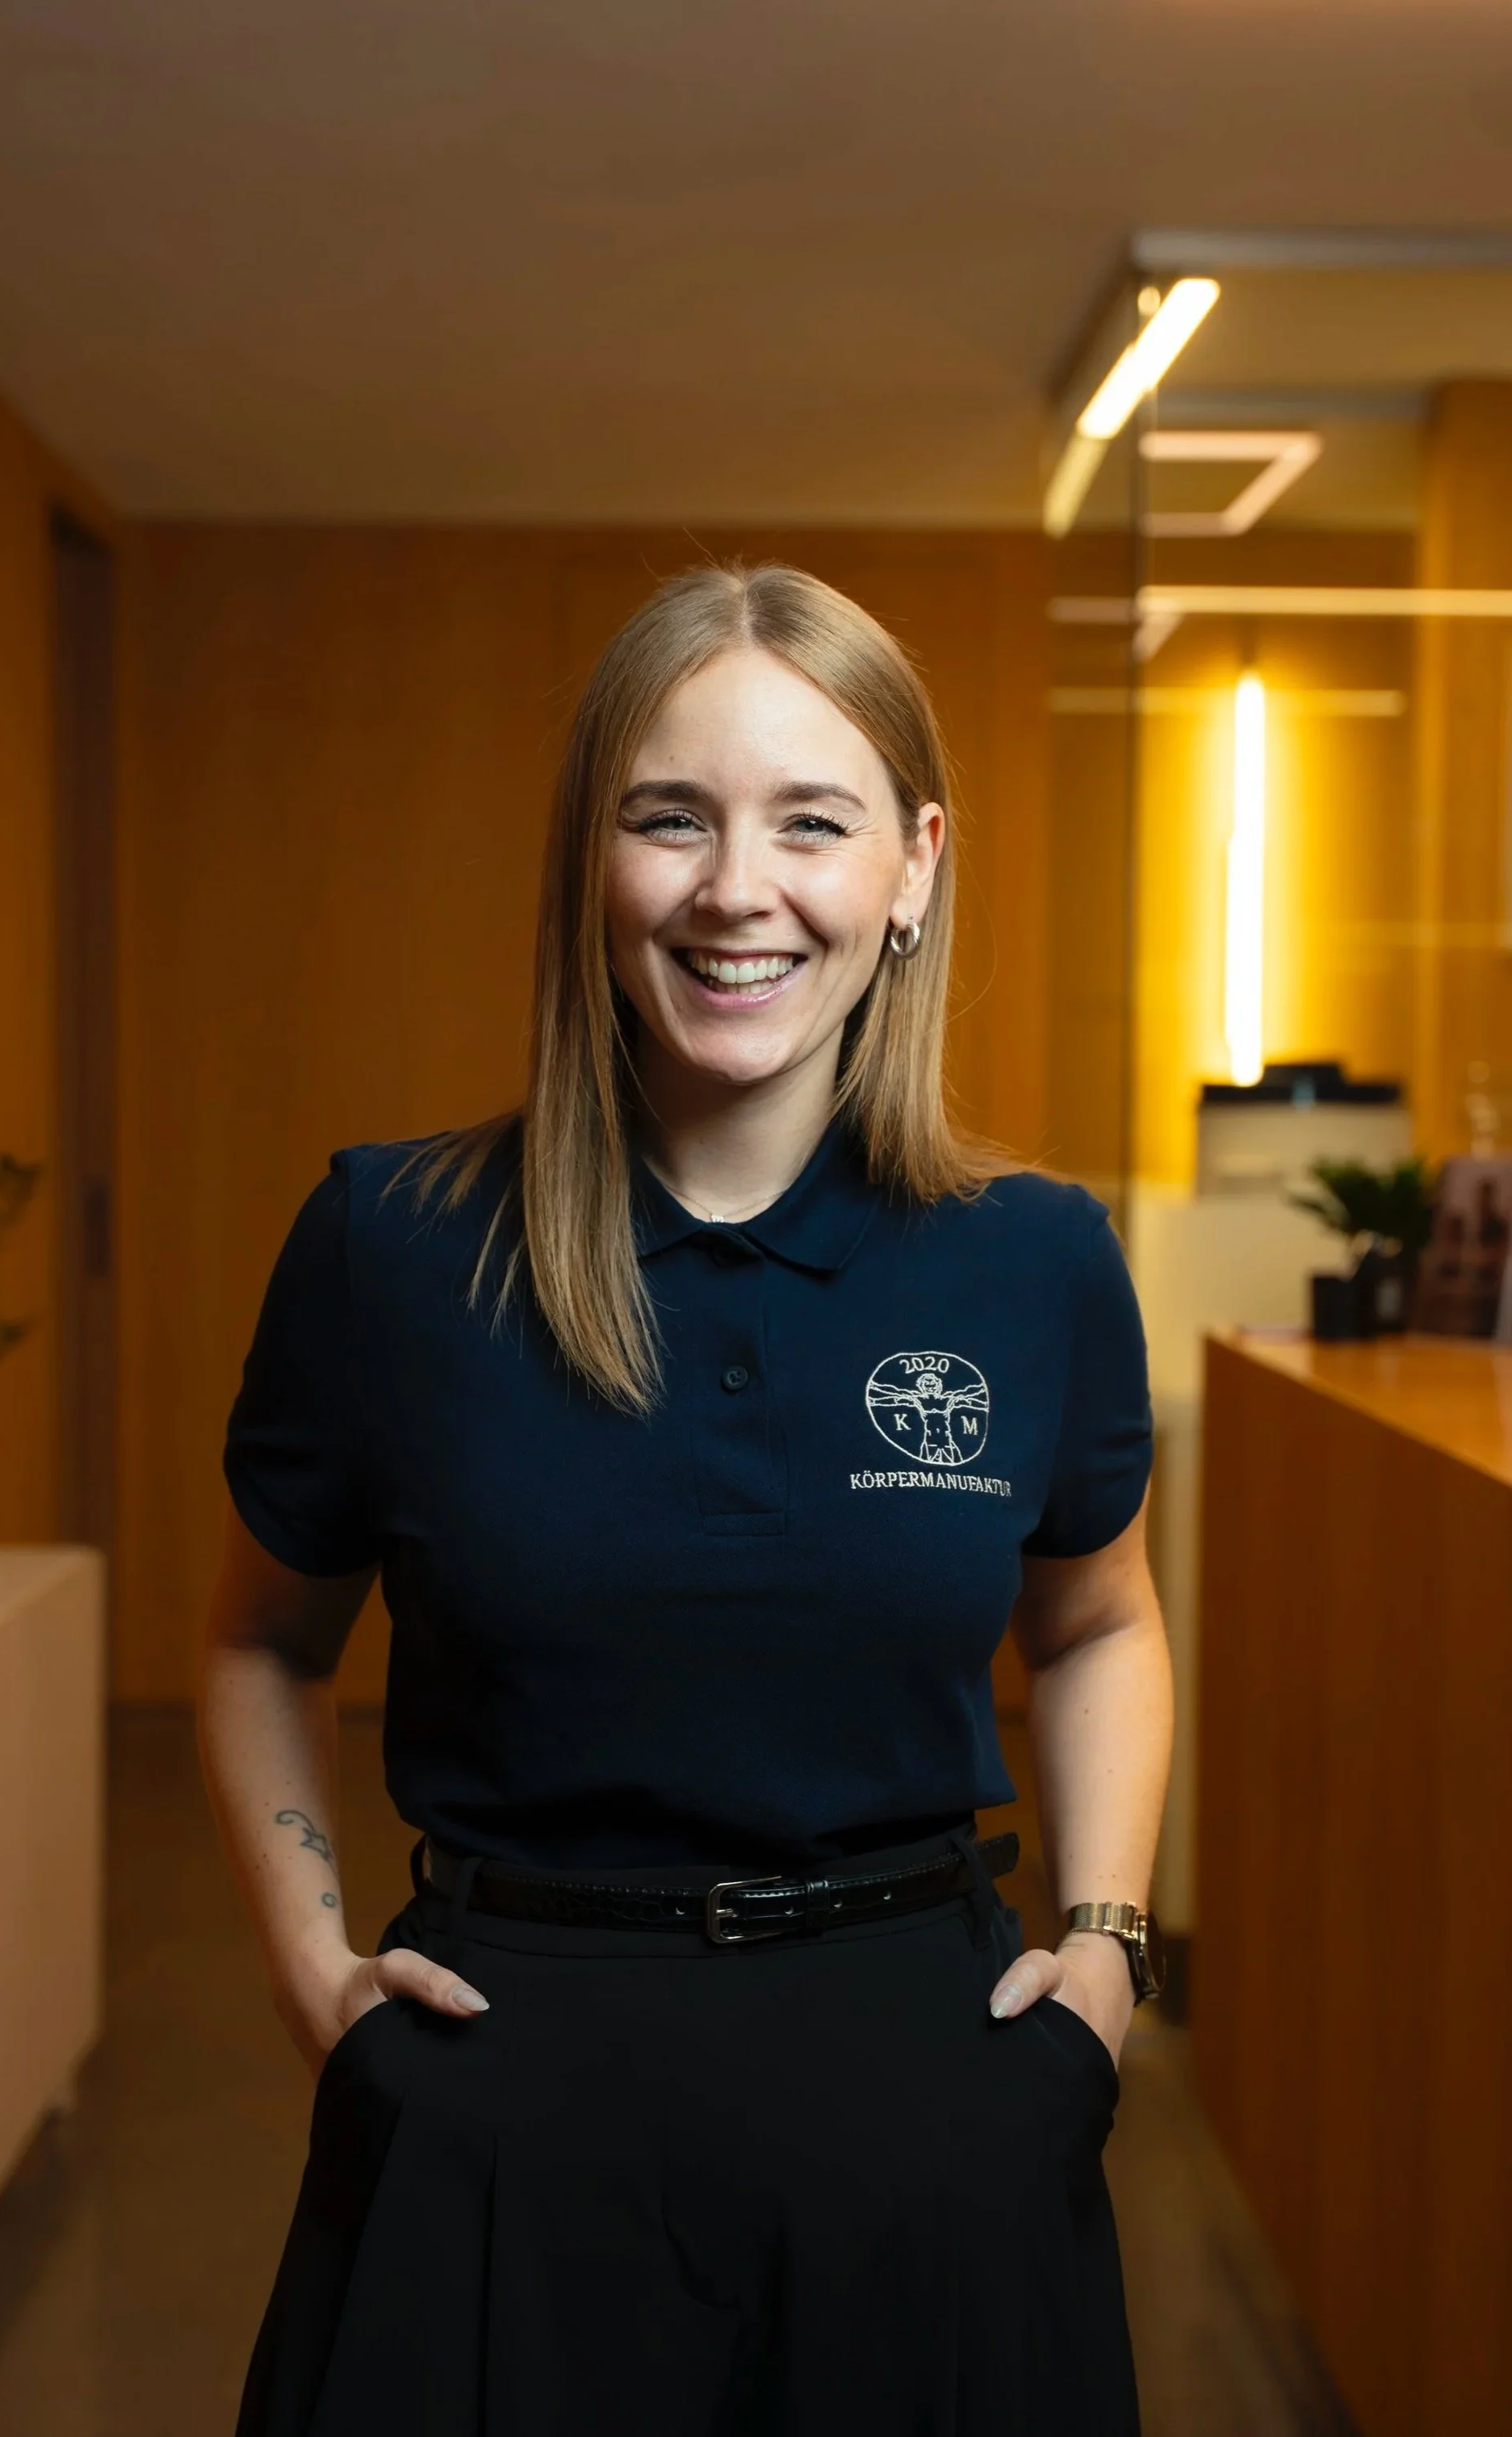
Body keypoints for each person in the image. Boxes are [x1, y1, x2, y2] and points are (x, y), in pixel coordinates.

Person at [199, 562, 1174, 2437]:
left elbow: (1100, 1620)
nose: (739, 889)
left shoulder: (1034, 1261)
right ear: (592, 859)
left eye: (811, 821)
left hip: (937, 2125)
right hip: (497, 2133)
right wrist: (314, 1978)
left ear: (911, 868)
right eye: (670, 817)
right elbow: (258, 1642)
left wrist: (1106, 1958)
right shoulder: (393, 1246)